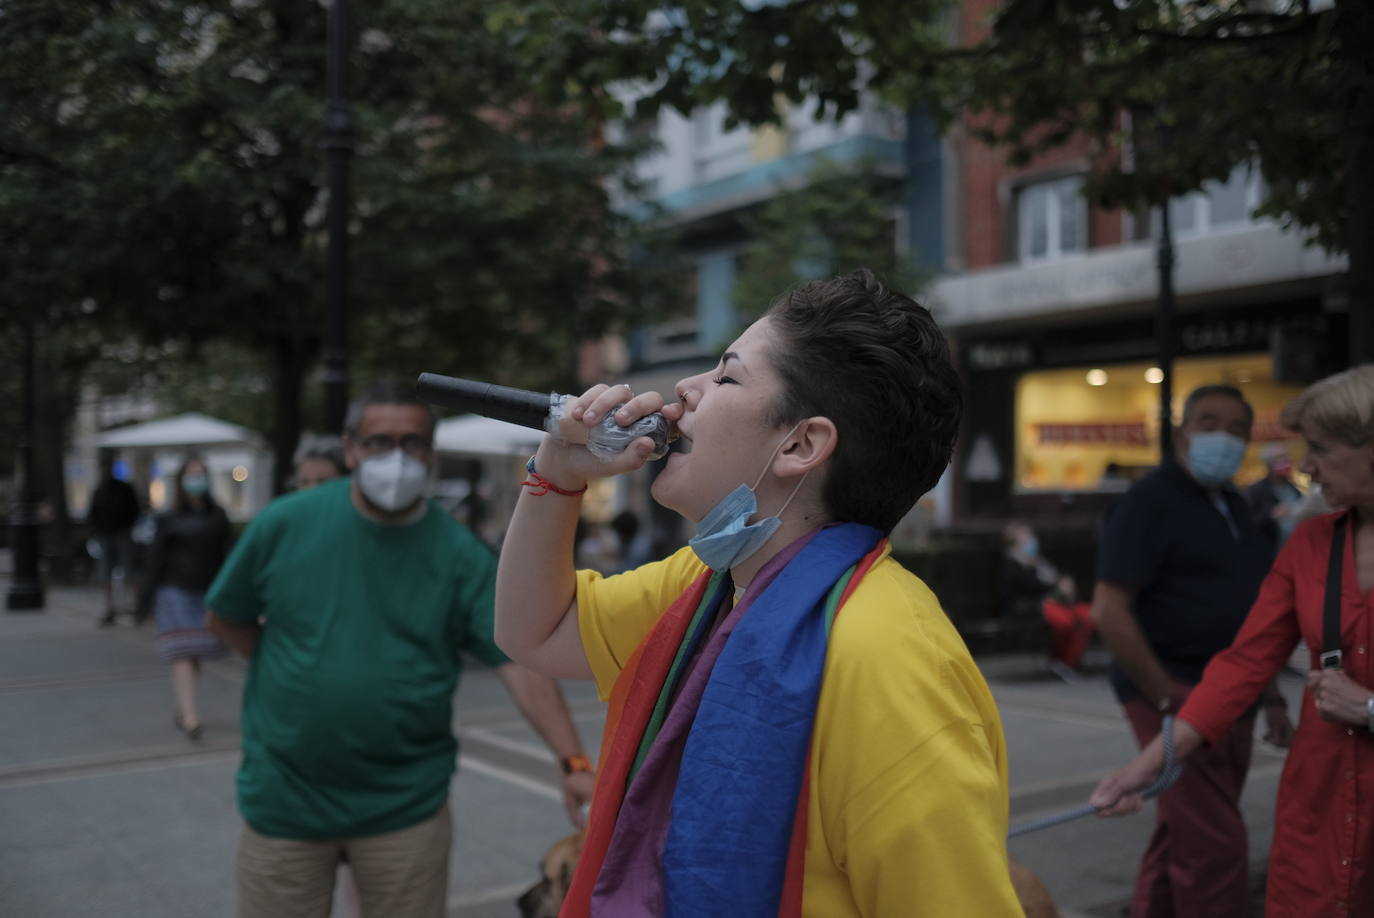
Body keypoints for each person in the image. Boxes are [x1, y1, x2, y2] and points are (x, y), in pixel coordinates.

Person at [494, 270, 1022, 916]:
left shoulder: (892, 657)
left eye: (726, 376)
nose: (685, 391)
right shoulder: (706, 582)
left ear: (801, 444)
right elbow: (535, 631)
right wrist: (556, 471)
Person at [204, 382, 594, 918]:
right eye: (379, 441)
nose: (397, 457)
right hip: (285, 799)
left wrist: (572, 759)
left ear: (430, 454)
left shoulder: (457, 552)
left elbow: (517, 660)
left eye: (412, 443)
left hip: (405, 807)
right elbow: (226, 615)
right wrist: (290, 668)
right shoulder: (284, 524)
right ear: (350, 449)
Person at [1092, 366, 1374, 917]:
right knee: (1204, 842)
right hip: (1319, 800)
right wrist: (1147, 764)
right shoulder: (1313, 543)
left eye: (1319, 448)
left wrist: (1368, 708)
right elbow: (1245, 660)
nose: (1306, 466)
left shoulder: (1232, 507)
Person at [1090, 384, 1295, 918]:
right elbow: (1110, 610)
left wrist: (1270, 696)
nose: (1222, 438)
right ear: (1181, 433)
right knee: (1214, 843)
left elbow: (1255, 617)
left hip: (1236, 697)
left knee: (1186, 826)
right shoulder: (1147, 502)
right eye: (1208, 423)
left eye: (1236, 429)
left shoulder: (1235, 504)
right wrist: (1166, 698)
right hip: (1175, 692)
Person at [137, 456, 231, 739]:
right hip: (174, 591)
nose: (196, 479)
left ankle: (183, 707)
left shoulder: (218, 516)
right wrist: (145, 600)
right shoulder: (168, 517)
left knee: (195, 652)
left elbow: (230, 555)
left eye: (200, 473)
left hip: (206, 592)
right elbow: (155, 559)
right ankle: (190, 716)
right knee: (183, 653)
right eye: (191, 474)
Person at [1000, 521, 1094, 677]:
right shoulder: (1012, 564)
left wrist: (1065, 584)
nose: (1031, 539)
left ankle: (1071, 661)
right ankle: (1059, 660)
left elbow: (1057, 577)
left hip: (1057, 603)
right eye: (1025, 536)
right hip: (1031, 607)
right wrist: (1056, 588)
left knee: (1086, 615)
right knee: (1064, 621)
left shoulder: (1039, 561)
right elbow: (1027, 587)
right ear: (1014, 541)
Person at [88, 451, 141, 626]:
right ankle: (110, 608)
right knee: (107, 573)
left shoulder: (123, 489)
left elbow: (135, 510)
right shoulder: (100, 490)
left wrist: (126, 526)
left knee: (129, 571)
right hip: (107, 535)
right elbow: (93, 514)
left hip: (121, 534)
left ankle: (134, 607)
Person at [1244, 442, 1305, 550]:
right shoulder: (1255, 491)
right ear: (1269, 464)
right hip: (1269, 551)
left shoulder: (1294, 489)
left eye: (1287, 458)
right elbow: (1247, 524)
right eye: (1280, 459)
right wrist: (1270, 516)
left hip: (1295, 550)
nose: (1285, 462)